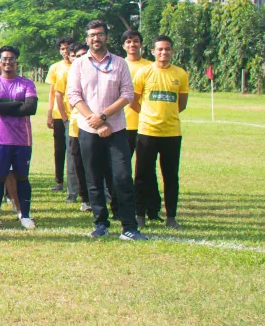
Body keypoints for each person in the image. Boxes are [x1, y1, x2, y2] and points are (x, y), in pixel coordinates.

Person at [67, 20, 146, 240]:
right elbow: (74, 96)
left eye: (100, 34)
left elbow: (127, 95)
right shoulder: (79, 64)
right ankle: (101, 222)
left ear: (107, 38)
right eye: (92, 35)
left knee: (122, 177)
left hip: (117, 129)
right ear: (87, 38)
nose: (96, 38)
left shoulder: (120, 63)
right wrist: (96, 122)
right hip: (88, 129)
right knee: (94, 178)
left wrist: (103, 117)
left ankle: (129, 226)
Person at [131, 35, 190, 228]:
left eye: (167, 49)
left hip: (172, 133)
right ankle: (139, 214)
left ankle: (171, 216)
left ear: (172, 51)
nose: (164, 52)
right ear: (153, 51)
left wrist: (166, 115)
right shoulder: (144, 72)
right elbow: (133, 101)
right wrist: (149, 115)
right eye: (160, 49)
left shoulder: (180, 74)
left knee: (170, 176)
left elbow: (181, 104)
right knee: (142, 175)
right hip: (147, 131)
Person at [0, 46, 39, 231]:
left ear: (17, 62)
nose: (8, 62)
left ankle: (25, 215)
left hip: (22, 139)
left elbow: (31, 108)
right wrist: (17, 103)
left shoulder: (26, 83)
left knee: (22, 177)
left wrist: (3, 104)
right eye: (4, 59)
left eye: (11, 59)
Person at [63, 42, 92, 210]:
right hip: (75, 125)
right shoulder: (68, 74)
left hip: (93, 125)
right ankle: (84, 199)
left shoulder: (96, 72)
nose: (80, 59)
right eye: (76, 56)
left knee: (96, 163)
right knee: (78, 164)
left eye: (83, 55)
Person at [44, 37, 73, 193]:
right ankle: (59, 181)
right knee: (59, 149)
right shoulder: (55, 67)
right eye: (62, 49)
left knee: (73, 150)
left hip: (76, 114)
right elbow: (52, 93)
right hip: (58, 114)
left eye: (68, 48)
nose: (66, 51)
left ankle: (74, 181)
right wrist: (49, 114)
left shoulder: (80, 65)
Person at [121, 29, 153, 162]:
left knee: (144, 163)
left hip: (146, 123)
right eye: (128, 42)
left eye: (135, 41)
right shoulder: (119, 65)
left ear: (141, 44)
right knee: (122, 162)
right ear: (123, 46)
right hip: (123, 122)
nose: (132, 44)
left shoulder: (151, 66)